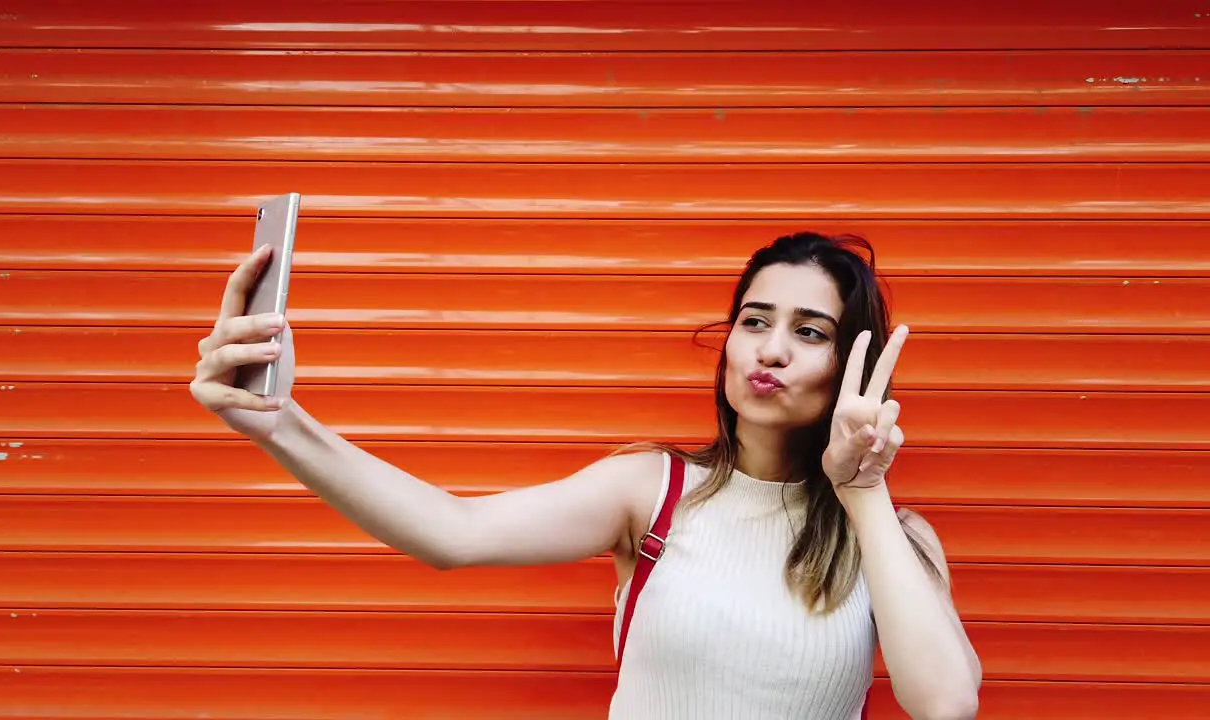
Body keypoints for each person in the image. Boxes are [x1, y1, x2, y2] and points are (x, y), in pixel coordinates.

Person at [190, 231, 982, 719]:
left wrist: (862, 492)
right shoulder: (653, 490)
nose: (770, 350)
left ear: (855, 368)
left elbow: (944, 702)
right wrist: (277, 422)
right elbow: (451, 533)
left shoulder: (893, 539)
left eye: (810, 332)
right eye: (753, 321)